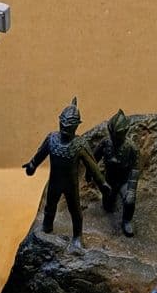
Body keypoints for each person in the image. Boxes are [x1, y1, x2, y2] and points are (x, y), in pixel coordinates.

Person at [23, 97, 111, 249]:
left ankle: (77, 236)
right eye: (62, 124)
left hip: (71, 185)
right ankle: (46, 227)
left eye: (68, 126)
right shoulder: (52, 139)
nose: (64, 127)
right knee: (50, 206)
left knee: (75, 210)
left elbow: (92, 165)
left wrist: (102, 183)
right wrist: (32, 165)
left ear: (76, 126)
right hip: (54, 182)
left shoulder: (79, 144)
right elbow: (40, 154)